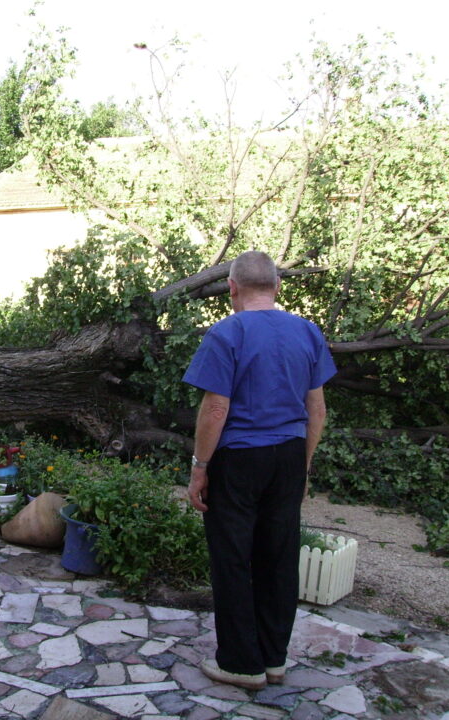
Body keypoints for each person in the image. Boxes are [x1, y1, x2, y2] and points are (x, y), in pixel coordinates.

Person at [182, 250, 336, 690]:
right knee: (279, 557)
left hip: (239, 460)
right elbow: (317, 408)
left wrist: (199, 468)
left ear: (232, 288)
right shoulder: (307, 331)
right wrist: (303, 465)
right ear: (276, 287)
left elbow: (215, 408)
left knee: (233, 558)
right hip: (288, 454)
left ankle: (240, 663)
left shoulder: (226, 334)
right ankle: (274, 659)